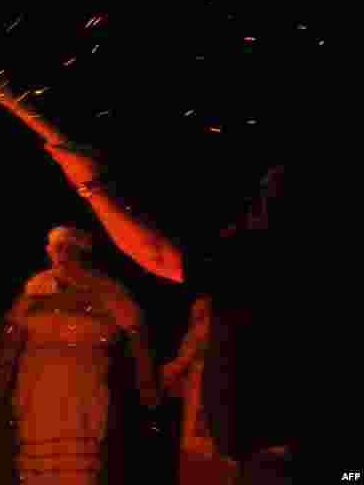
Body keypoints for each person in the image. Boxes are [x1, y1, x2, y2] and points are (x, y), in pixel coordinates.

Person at [45, 144, 301, 484]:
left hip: (276, 451)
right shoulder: (37, 288)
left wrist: (90, 184)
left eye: (267, 197)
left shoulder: (257, 259)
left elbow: (156, 258)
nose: (255, 208)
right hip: (249, 442)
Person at [0, 225, 159, 485]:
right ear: (49, 252)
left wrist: (146, 381)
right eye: (58, 247)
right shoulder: (36, 287)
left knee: (78, 472)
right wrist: (1, 378)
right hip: (38, 393)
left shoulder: (106, 289)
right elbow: (13, 334)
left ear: (84, 251)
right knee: (36, 470)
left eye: (71, 248)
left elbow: (137, 331)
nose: (64, 254)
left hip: (83, 396)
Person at [163, 296, 238, 485]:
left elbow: (174, 374)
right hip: (205, 432)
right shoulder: (205, 307)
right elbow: (174, 377)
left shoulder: (211, 318)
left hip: (218, 433)